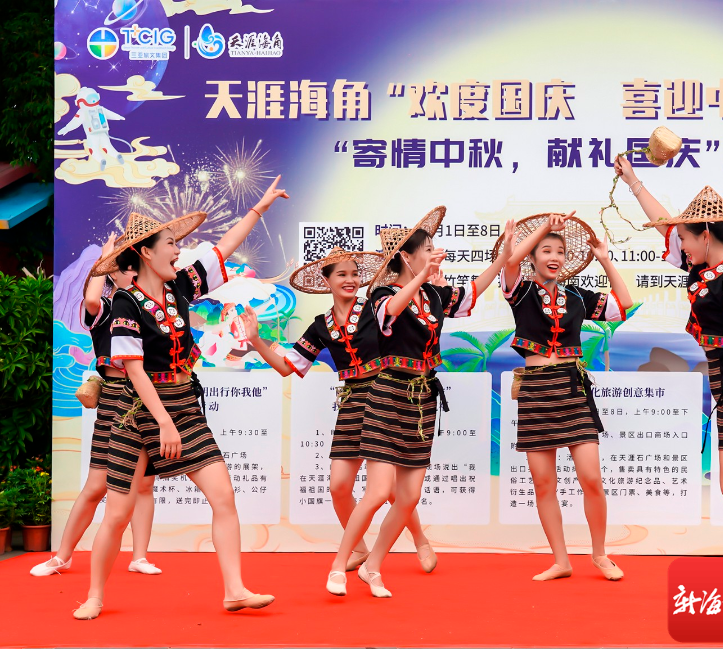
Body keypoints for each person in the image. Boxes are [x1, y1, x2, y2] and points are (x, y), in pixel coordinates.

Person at [71, 176, 289, 620]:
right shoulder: (125, 303)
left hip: (184, 405)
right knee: (118, 513)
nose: (179, 250)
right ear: (145, 253)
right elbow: (134, 370)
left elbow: (222, 250)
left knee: (223, 496)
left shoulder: (181, 287)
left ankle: (235, 590)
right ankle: (94, 595)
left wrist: (259, 209)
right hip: (136, 414)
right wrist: (164, 424)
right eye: (171, 244)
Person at [615, 155, 723, 613]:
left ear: (706, 235)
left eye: (685, 238)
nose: (678, 243)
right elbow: (664, 223)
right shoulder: (703, 268)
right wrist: (634, 182)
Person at [326, 207, 515, 597]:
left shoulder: (434, 294)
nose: (435, 253)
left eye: (433, 248)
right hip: (387, 394)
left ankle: (373, 568)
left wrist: (502, 258)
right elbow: (392, 312)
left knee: (409, 496)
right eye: (427, 249)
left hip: (423, 398)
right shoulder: (380, 295)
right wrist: (423, 276)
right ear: (406, 257)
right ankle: (338, 567)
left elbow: (473, 291)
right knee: (379, 492)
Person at [239, 247, 438, 574]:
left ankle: (420, 541)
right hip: (351, 402)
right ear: (326, 281)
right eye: (342, 274)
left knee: (389, 489)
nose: (350, 280)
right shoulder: (321, 325)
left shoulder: (376, 307)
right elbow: (288, 367)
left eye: (355, 274)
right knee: (339, 487)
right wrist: (257, 341)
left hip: (387, 395)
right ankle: (358, 548)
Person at [497, 211, 633, 581]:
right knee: (544, 484)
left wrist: (605, 260)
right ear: (533, 257)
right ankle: (561, 560)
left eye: (559, 251)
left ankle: (600, 554)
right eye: (546, 250)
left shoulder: (577, 296)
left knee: (591, 478)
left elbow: (623, 306)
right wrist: (545, 227)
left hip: (573, 389)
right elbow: (509, 262)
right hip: (536, 391)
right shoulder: (520, 291)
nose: (554, 257)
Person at [31, 235, 161, 578]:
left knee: (144, 485)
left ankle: (140, 556)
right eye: (123, 267)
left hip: (148, 399)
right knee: (95, 486)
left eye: (134, 267)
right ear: (112, 273)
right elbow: (90, 298)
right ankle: (62, 556)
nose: (132, 273)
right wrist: (103, 259)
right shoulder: (106, 307)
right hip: (115, 399)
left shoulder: (151, 309)